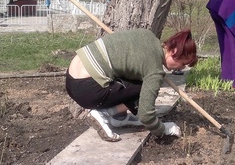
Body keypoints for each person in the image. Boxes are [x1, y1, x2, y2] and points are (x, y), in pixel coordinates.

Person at [65, 28, 198, 142]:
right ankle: (103, 114)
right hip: (87, 89)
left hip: (71, 78)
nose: (180, 69)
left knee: (132, 77)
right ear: (174, 52)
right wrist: (164, 129)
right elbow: (146, 115)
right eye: (183, 64)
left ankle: (118, 116)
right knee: (143, 87)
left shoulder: (146, 35)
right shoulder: (154, 70)